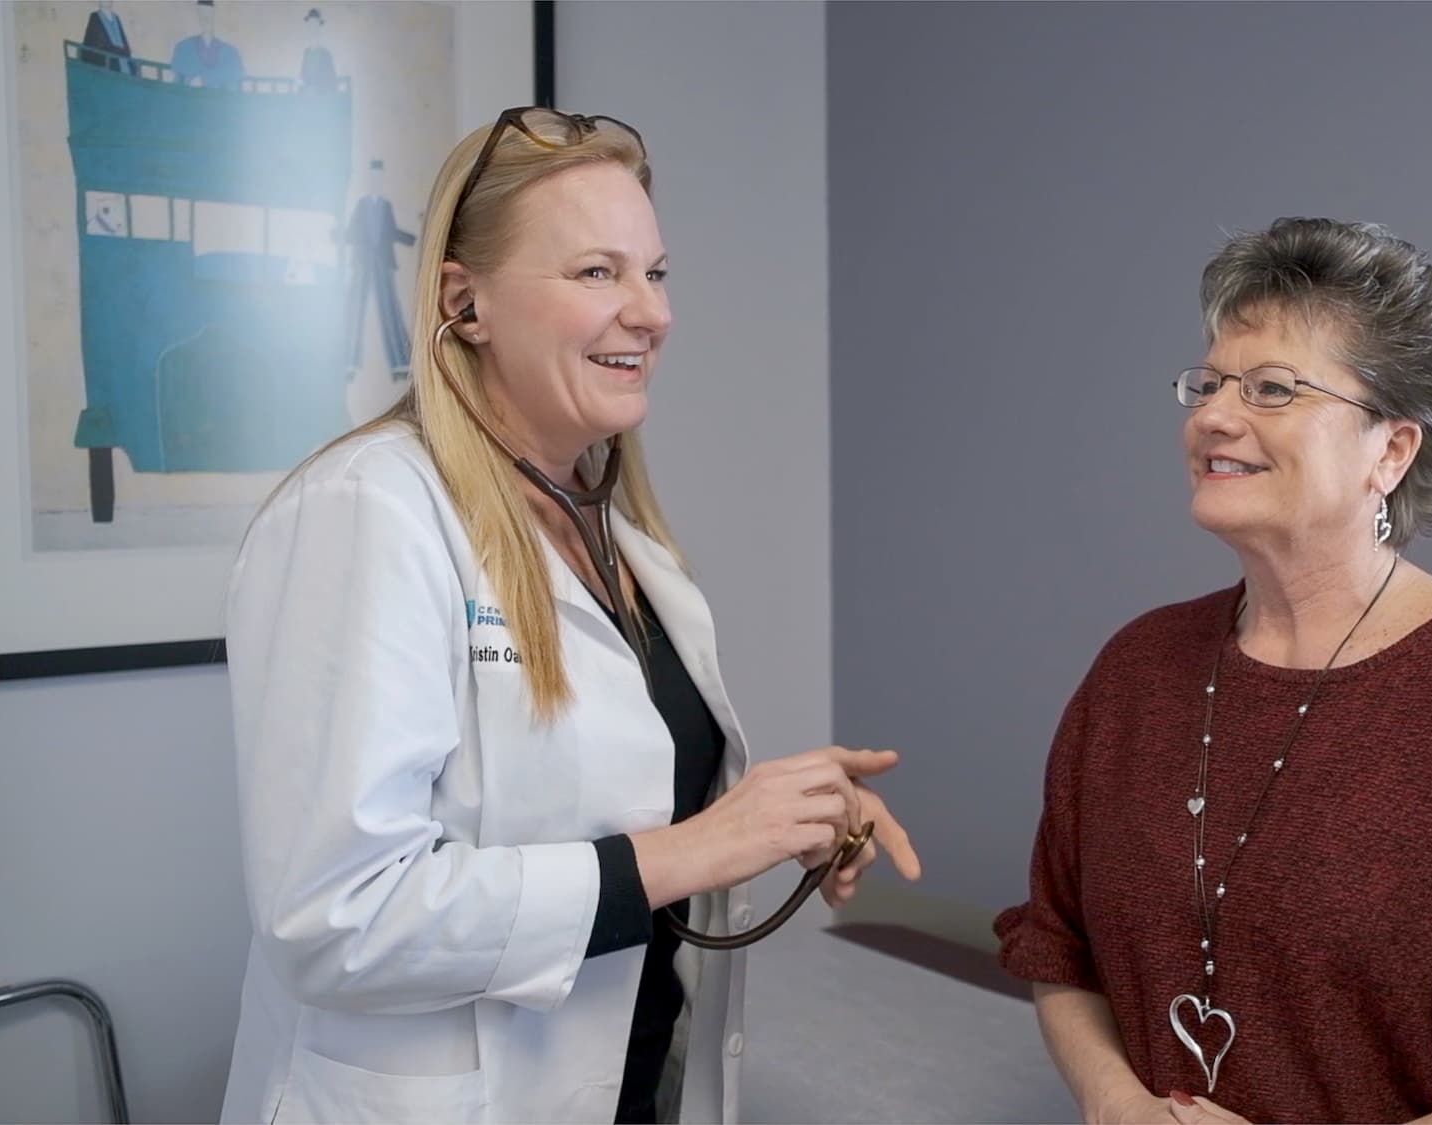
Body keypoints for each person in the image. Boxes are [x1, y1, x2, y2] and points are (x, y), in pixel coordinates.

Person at [218, 106, 921, 1125]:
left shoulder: (621, 540)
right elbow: (336, 918)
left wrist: (781, 824)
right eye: (597, 272)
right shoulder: (366, 512)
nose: (651, 313)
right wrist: (702, 846)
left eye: (655, 273)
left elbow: (619, 816)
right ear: (466, 303)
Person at [994, 218, 1432, 1124]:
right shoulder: (1135, 672)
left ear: (1392, 451)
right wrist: (1115, 1102)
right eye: (1208, 383)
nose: (1214, 414)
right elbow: (1059, 946)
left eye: (1273, 388)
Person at [344, 159, 417, 380]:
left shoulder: (386, 206)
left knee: (390, 312)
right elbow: (351, 232)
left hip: (383, 264)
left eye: (379, 178)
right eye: (373, 178)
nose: (376, 182)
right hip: (363, 263)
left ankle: (400, 364)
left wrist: (412, 238)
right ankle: (349, 363)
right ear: (368, 180)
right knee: (355, 312)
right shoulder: (361, 205)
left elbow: (391, 231)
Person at [170, 0, 245, 90]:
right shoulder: (184, 47)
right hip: (189, 99)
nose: (206, 18)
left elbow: (234, 88)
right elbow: (177, 83)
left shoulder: (231, 52)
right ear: (197, 15)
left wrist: (207, 80)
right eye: (201, 13)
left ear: (215, 15)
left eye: (209, 13)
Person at [80, 0, 134, 74]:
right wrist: (118, 51)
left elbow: (124, 41)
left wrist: (126, 52)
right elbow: (93, 44)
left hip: (121, 61)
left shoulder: (116, 18)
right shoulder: (95, 17)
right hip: (104, 62)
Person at [297, 8, 337, 94]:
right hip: (307, 97)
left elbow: (331, 81)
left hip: (321, 96)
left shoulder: (326, 54)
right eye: (310, 25)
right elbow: (302, 76)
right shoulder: (306, 53)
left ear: (319, 27)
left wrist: (317, 89)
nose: (312, 28)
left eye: (314, 25)